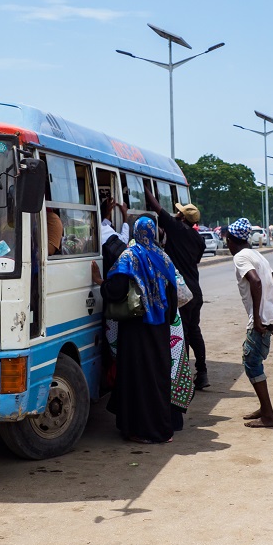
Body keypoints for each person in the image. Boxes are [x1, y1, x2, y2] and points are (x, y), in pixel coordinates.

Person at [94, 217, 179, 443]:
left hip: (136, 330)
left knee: (138, 378)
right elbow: (172, 297)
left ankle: (140, 430)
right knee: (158, 378)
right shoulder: (164, 258)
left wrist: (100, 282)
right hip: (159, 329)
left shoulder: (130, 257)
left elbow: (117, 290)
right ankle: (162, 429)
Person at [144, 186, 209, 390]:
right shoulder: (198, 239)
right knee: (194, 331)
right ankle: (202, 372)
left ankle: (182, 379)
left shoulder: (176, 228)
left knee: (182, 335)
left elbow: (156, 207)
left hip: (181, 292)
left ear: (181, 216)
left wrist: (144, 185)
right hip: (195, 290)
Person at [224, 218, 273, 428]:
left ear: (231, 240)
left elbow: (256, 281)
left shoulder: (240, 257)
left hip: (259, 319)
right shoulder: (256, 254)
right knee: (254, 361)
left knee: (252, 363)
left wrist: (258, 318)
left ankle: (268, 416)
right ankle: (264, 409)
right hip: (268, 316)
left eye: (227, 241)